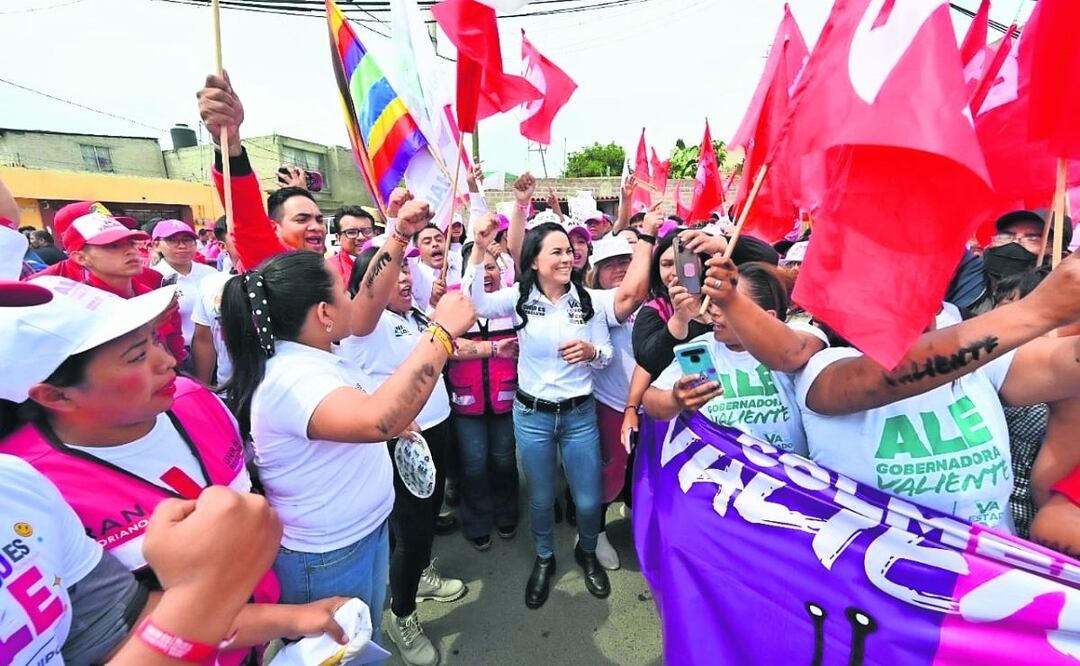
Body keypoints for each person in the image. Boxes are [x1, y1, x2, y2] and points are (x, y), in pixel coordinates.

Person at [0, 277, 348, 664]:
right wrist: (289, 619)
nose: (166, 360)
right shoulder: (28, 491)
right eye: (136, 356)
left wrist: (288, 620)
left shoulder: (193, 399)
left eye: (154, 339)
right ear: (56, 395)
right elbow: (124, 620)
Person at [699, 251, 1080, 532]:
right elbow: (882, 379)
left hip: (983, 591)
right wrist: (1040, 311)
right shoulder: (824, 372)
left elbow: (1063, 365)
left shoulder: (986, 365)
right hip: (878, 597)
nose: (916, 300)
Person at [219, 247, 476, 649]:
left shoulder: (318, 356)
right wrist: (441, 332)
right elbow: (377, 418)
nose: (353, 302)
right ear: (324, 313)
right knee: (342, 651)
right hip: (327, 556)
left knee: (360, 640)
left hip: (357, 536)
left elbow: (362, 408)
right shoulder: (292, 377)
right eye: (343, 292)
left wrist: (397, 234)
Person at [467, 214, 613, 610]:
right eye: (557, 252)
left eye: (569, 251)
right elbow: (475, 302)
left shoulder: (588, 301)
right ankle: (545, 558)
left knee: (586, 500)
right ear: (534, 260)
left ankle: (585, 552)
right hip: (531, 417)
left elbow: (607, 353)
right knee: (542, 498)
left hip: (579, 416)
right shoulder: (519, 299)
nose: (568, 258)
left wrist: (592, 352)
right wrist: (479, 249)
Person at [340, 247, 469, 666]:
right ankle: (402, 615)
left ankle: (419, 578)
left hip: (436, 428)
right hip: (403, 441)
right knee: (410, 532)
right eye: (394, 274)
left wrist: (490, 351)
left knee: (426, 520)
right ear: (368, 288)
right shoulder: (365, 327)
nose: (404, 279)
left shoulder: (411, 317)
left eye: (407, 271)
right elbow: (351, 378)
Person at [644, 262, 827, 455]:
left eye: (728, 305)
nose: (713, 311)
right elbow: (651, 401)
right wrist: (675, 399)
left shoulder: (798, 337)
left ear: (768, 316)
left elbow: (794, 351)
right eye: (714, 302)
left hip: (785, 478)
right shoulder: (701, 348)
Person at [26, 209, 187, 363]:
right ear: (81, 258)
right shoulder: (74, 307)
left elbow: (173, 344)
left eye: (131, 242)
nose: (131, 251)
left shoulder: (154, 293)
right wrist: (146, 328)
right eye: (113, 246)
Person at [449, 243, 522, 552]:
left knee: (504, 461)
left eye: (492, 267)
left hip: (507, 401)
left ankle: (508, 512)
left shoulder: (511, 303)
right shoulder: (451, 305)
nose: (487, 273)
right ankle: (477, 521)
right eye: (480, 268)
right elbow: (443, 346)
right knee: (473, 465)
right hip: (466, 405)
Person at [152, 220, 218, 354]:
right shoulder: (154, 278)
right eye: (172, 240)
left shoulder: (211, 274)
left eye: (187, 240)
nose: (182, 246)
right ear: (156, 245)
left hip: (218, 348)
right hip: (179, 351)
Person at [330, 205, 377, 285]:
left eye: (367, 231)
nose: (361, 237)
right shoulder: (329, 269)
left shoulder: (385, 261)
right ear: (338, 238)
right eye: (351, 232)